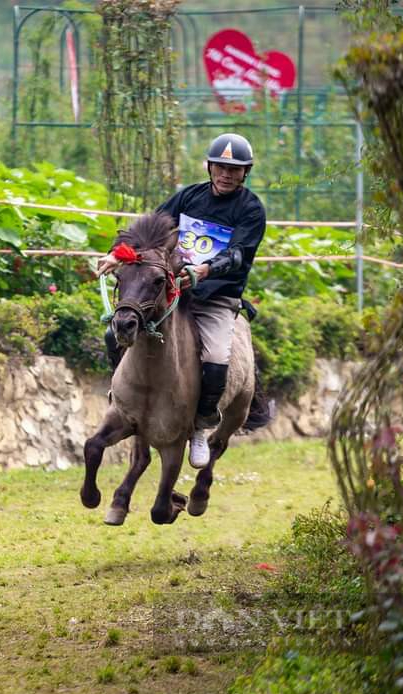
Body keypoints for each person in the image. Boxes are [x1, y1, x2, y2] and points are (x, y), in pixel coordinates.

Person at [98, 132, 266, 469]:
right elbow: (148, 230)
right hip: (175, 291)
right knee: (113, 332)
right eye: (220, 167)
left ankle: (201, 425)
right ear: (209, 167)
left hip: (217, 298)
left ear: (245, 172)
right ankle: (121, 399)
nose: (226, 174)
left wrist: (206, 270)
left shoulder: (251, 209)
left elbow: (238, 254)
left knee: (217, 356)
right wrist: (120, 254)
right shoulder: (188, 197)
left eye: (235, 170)